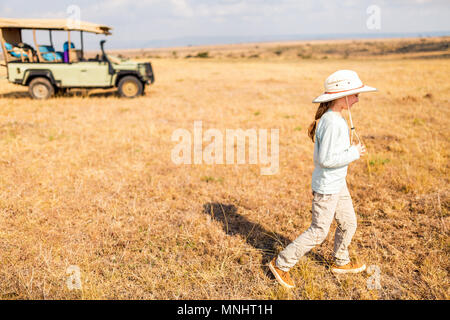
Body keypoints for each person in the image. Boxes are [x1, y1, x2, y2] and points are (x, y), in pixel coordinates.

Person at [269, 70, 377, 289]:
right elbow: (326, 159)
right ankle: (280, 264)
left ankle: (341, 261)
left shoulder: (335, 119)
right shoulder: (332, 122)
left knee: (349, 222)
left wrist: (348, 151)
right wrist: (353, 153)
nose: (358, 99)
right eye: (355, 94)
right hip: (328, 187)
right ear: (342, 96)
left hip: (338, 183)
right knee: (318, 232)